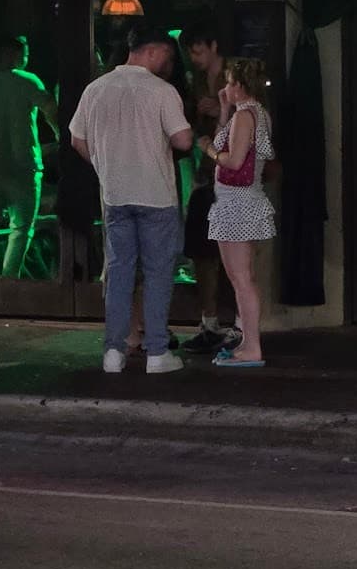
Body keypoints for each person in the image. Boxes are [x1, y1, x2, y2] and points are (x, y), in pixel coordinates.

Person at [70, 26, 193, 375]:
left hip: (115, 194)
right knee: (157, 274)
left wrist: (105, 164)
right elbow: (183, 140)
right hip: (156, 195)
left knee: (120, 272)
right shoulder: (162, 91)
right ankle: (156, 353)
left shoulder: (96, 89)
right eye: (166, 58)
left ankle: (114, 350)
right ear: (152, 51)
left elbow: (77, 139)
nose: (167, 65)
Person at [198, 56, 276, 367]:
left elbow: (232, 160)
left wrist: (207, 149)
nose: (225, 87)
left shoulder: (247, 116)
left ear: (240, 85)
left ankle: (252, 346)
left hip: (237, 203)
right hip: (242, 201)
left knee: (241, 278)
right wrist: (225, 111)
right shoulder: (254, 114)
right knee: (243, 277)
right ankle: (247, 341)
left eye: (229, 82)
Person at [0, 34, 60, 279]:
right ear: (16, 55)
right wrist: (63, 139)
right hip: (24, 165)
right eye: (24, 53)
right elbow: (50, 109)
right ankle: (10, 281)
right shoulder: (28, 81)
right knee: (21, 229)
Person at [179, 20, 239, 353]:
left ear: (214, 45)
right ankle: (210, 321)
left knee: (233, 253)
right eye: (190, 52)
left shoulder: (236, 76)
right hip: (206, 171)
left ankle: (239, 324)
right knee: (203, 251)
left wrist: (221, 110)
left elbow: (256, 116)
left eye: (198, 50)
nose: (194, 57)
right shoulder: (197, 80)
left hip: (231, 174)